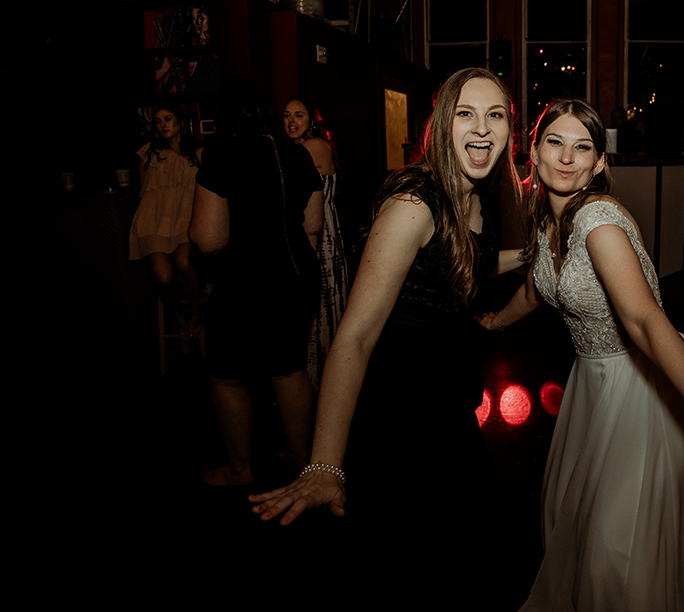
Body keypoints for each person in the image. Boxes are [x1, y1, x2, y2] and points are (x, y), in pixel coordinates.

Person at [477, 99, 684, 612]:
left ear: (599, 163)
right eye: (555, 142)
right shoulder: (550, 220)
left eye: (582, 147)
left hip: (636, 390)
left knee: (617, 550)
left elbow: (643, 320)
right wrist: (493, 323)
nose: (566, 157)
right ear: (535, 151)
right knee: (582, 524)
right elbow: (535, 287)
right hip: (590, 387)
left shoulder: (599, 224)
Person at [248, 67, 524, 596]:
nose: (481, 128)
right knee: (417, 561)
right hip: (401, 419)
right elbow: (354, 335)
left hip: (447, 405)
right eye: (466, 113)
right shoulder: (414, 205)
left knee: (474, 538)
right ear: (441, 125)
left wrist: (534, 255)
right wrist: (325, 463)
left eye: (495, 115)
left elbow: (466, 261)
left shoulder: (473, 195)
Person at [189, 79, 323, 487]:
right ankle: (301, 458)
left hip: (243, 282)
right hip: (296, 275)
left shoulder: (221, 156)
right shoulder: (297, 154)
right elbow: (313, 226)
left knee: (228, 376)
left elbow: (208, 239)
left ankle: (240, 470)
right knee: (290, 369)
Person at [283, 96, 349, 391]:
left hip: (322, 234)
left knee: (322, 306)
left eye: (298, 115)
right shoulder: (295, 149)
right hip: (306, 231)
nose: (291, 121)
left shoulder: (315, 147)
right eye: (286, 115)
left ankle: (325, 384)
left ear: (311, 120)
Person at [128, 105, 204, 340]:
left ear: (181, 122)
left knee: (184, 262)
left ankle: (197, 311)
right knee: (163, 276)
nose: (163, 124)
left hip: (185, 218)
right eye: (158, 121)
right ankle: (178, 316)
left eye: (168, 119)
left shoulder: (199, 154)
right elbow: (144, 191)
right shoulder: (149, 153)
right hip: (155, 219)